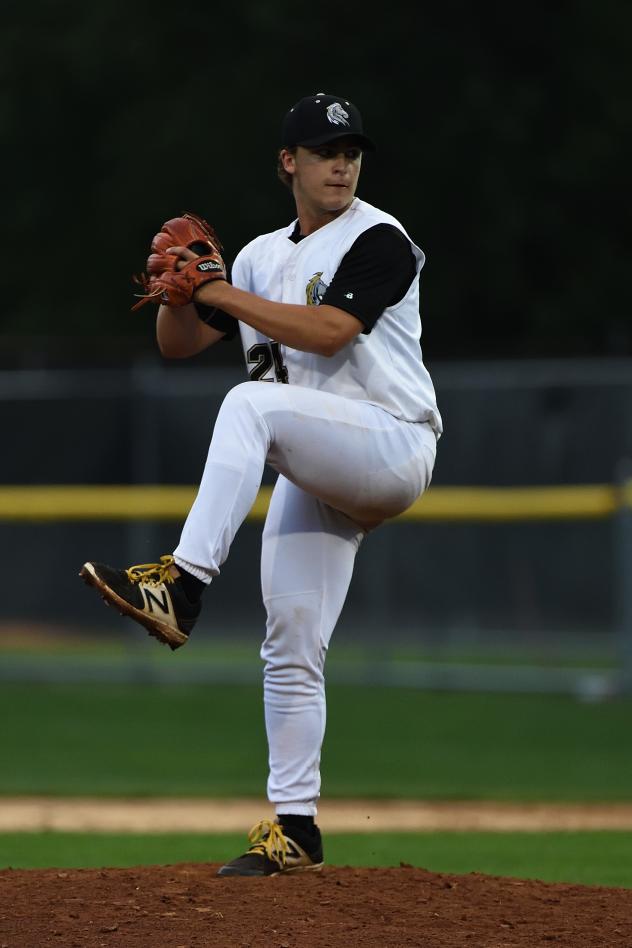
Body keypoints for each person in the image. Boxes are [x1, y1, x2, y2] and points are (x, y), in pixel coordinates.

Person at [80, 92, 442, 877]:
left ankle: (181, 583)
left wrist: (215, 292)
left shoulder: (378, 237)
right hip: (317, 465)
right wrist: (183, 291)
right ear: (290, 163)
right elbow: (177, 345)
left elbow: (328, 331)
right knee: (289, 642)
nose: (343, 163)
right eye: (325, 150)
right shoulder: (254, 258)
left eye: (351, 150)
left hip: (389, 444)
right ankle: (296, 828)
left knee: (248, 404)